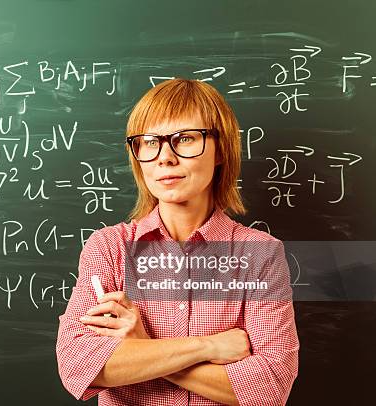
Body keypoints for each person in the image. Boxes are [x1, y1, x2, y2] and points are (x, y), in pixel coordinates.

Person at [55, 78, 299, 405]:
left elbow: (270, 386)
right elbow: (79, 366)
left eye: (184, 139)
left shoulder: (261, 254)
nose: (165, 158)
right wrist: (208, 347)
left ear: (220, 150)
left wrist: (140, 344)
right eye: (149, 142)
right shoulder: (109, 248)